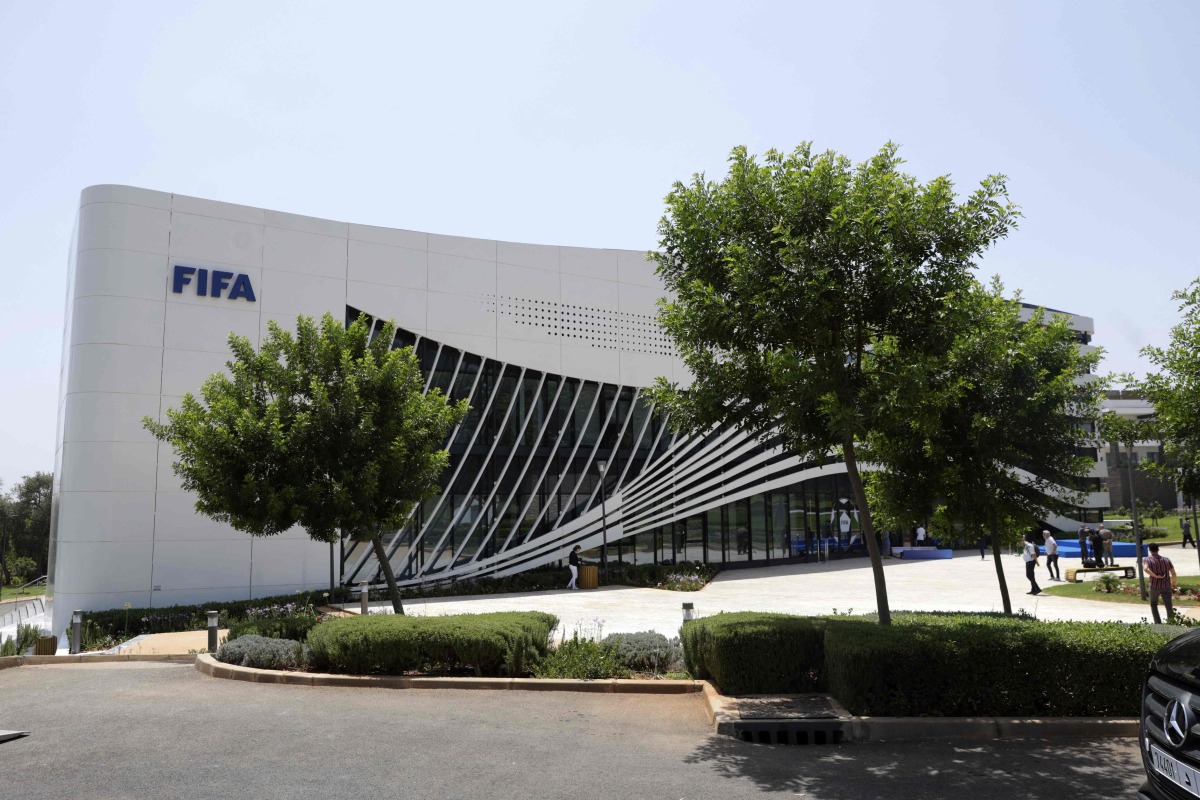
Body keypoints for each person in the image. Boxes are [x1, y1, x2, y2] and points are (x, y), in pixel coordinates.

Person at [1144, 542, 1178, 624]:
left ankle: (1158, 623)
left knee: (1153, 604)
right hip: (1166, 585)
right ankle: (1171, 622)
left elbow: (1145, 569)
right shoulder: (1166, 560)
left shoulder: (1148, 559)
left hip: (1154, 586)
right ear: (1158, 549)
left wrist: (1155, 576)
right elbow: (1173, 573)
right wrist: (1174, 582)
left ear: (1150, 550)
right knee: (1168, 605)